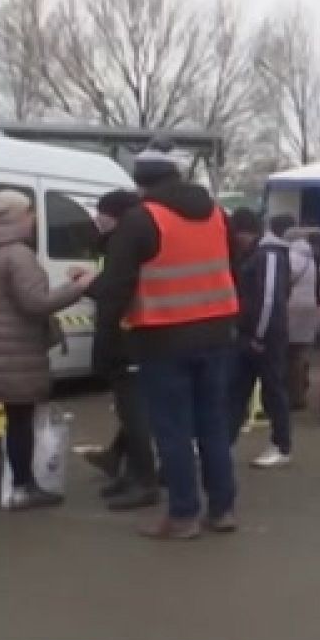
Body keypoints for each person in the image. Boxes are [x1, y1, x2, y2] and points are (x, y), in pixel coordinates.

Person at [87, 142, 240, 539]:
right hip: (217, 334)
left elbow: (116, 287)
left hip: (163, 338)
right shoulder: (218, 216)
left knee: (172, 431)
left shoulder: (141, 221)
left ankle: (183, 516)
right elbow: (233, 270)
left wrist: (103, 344)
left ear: (139, 182)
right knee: (213, 428)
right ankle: (222, 510)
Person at [0, 189, 94, 510]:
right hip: (14, 349)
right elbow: (36, 303)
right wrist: (78, 288)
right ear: (16, 217)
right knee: (19, 416)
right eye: (30, 211)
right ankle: (23, 488)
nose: (34, 217)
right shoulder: (18, 255)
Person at [82, 189, 161, 511]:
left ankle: (144, 480)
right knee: (134, 410)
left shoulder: (125, 241)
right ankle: (128, 470)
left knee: (135, 412)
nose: (96, 220)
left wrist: (89, 284)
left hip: (128, 334)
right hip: (140, 334)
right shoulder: (139, 238)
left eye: (100, 213)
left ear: (111, 215)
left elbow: (116, 288)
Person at [227, 209, 293, 469]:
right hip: (251, 334)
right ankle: (223, 442)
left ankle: (281, 444)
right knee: (236, 391)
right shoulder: (257, 254)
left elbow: (270, 298)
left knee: (272, 390)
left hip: (266, 336)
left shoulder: (270, 255)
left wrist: (259, 335)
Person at [278, 217, 319, 412]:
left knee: (289, 353)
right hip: (309, 308)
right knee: (300, 353)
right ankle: (301, 391)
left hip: (292, 308)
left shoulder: (291, 257)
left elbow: (284, 280)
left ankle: (291, 394)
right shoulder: (310, 258)